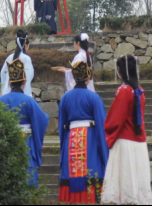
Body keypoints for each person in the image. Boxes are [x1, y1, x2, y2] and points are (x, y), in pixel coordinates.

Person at [101, 55, 152, 205]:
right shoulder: (140, 91)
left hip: (125, 142)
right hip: (139, 142)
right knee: (136, 179)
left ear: (120, 71)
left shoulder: (124, 90)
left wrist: (106, 127)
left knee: (124, 179)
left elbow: (115, 119)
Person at [58, 61, 108, 205]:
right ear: (88, 78)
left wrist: (62, 151)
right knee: (91, 172)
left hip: (71, 139)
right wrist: (104, 153)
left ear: (73, 77)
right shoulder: (94, 98)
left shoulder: (65, 98)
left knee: (72, 173)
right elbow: (102, 126)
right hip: (90, 139)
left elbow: (62, 126)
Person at [0, 58, 49, 187]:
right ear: (24, 82)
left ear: (9, 82)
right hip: (25, 141)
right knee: (27, 172)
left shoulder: (1, 101)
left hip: (7, 141)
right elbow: (42, 120)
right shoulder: (29, 101)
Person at [1, 29, 34, 97]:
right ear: (26, 45)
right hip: (23, 93)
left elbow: (2, 73)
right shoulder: (26, 58)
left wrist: (4, 88)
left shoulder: (9, 57)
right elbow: (29, 76)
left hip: (8, 92)